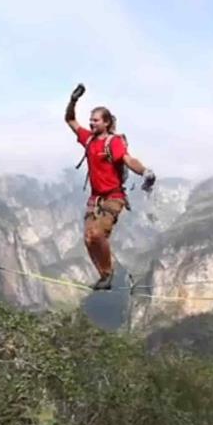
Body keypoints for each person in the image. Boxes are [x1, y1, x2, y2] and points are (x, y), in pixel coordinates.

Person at [65, 83, 156, 290]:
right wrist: (73, 100)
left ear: (106, 123)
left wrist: (145, 172)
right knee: (89, 240)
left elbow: (128, 159)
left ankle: (108, 274)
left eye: (95, 120)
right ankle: (104, 275)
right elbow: (70, 120)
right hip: (95, 198)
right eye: (91, 120)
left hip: (114, 197)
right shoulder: (88, 140)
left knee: (97, 235)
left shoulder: (113, 142)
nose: (91, 123)